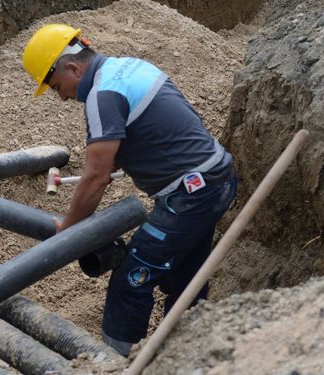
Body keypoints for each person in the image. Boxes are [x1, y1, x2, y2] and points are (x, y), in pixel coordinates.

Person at [22, 24, 237, 356]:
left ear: (73, 68)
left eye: (56, 86)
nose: (61, 95)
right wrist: (115, 163)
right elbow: (155, 132)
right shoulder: (130, 67)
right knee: (185, 280)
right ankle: (186, 356)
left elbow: (95, 179)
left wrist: (67, 230)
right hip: (214, 178)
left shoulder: (102, 95)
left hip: (191, 194)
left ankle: (114, 363)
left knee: (130, 281)